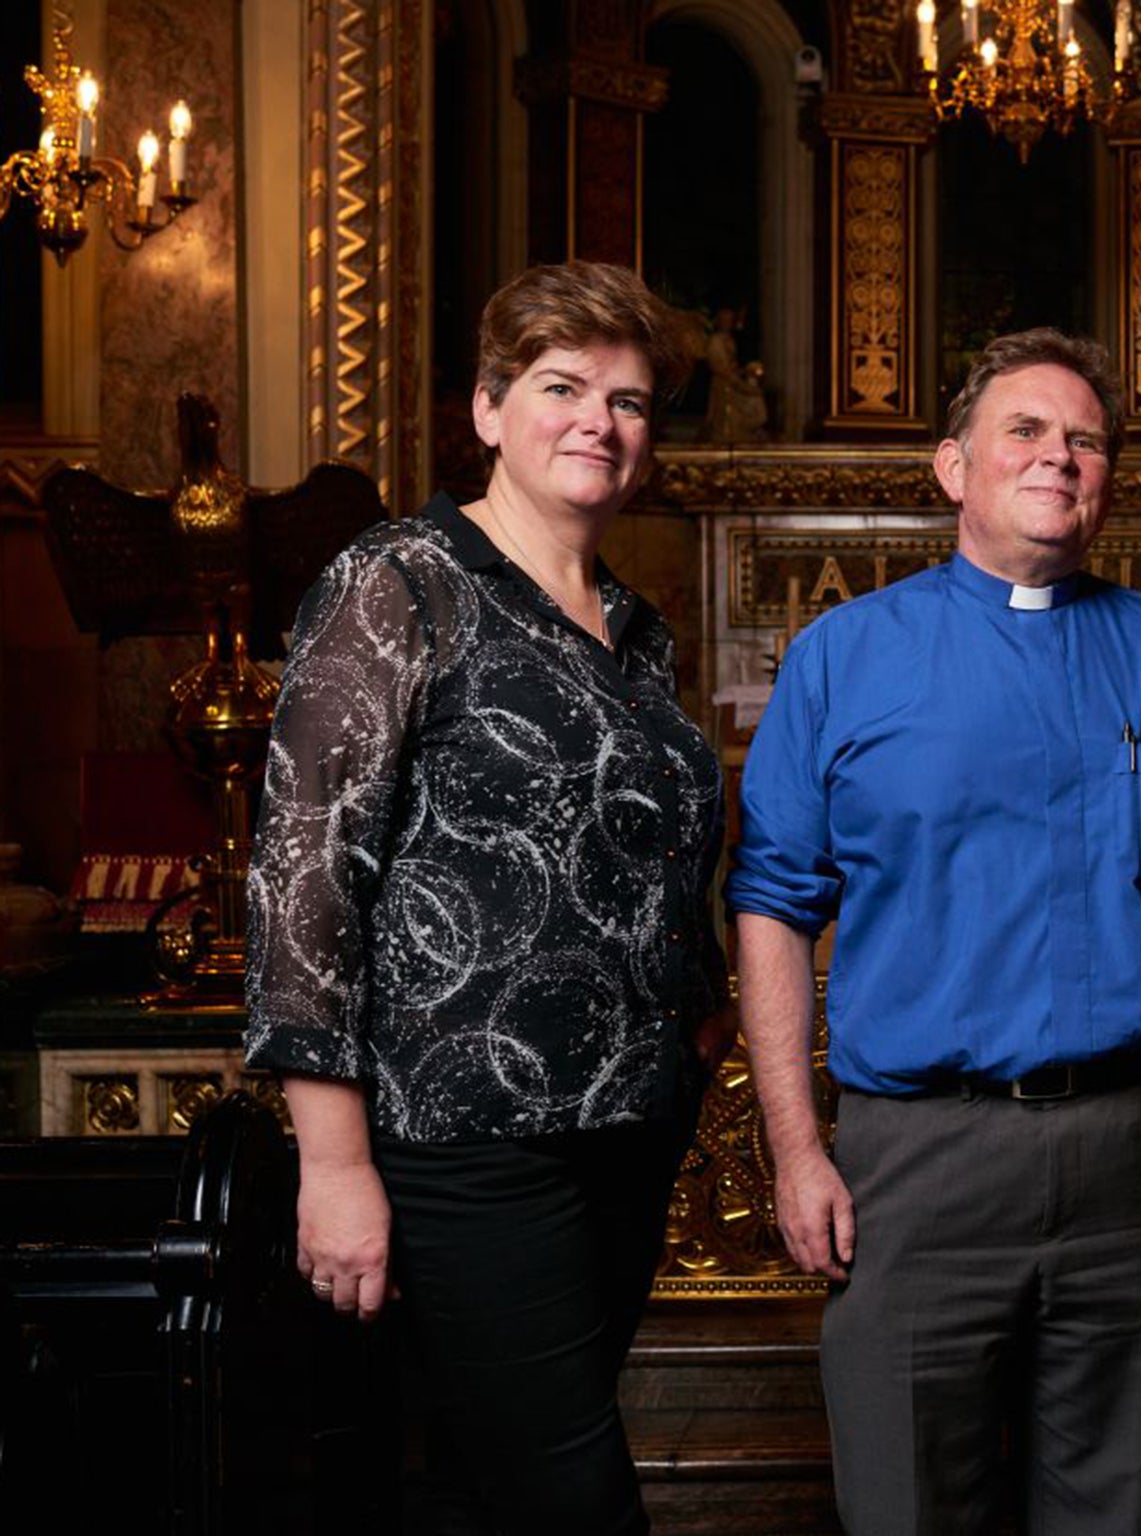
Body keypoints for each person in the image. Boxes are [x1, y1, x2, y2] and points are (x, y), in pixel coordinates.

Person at [244, 261, 731, 1535]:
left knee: (484, 1485)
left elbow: (656, 854)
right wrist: (334, 1164)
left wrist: (698, 1020)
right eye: (563, 388)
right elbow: (306, 877)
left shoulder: (636, 624)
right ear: (487, 409)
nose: (599, 423)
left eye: (628, 402)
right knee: (574, 1493)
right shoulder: (399, 583)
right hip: (463, 1135)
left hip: (624, 1128)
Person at [725, 328, 1141, 1535]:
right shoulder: (843, 656)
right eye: (1026, 429)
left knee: (1107, 1512)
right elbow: (772, 906)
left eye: (1086, 439)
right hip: (920, 1165)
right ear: (952, 467)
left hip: (1130, 1160)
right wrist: (797, 1149)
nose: (1058, 455)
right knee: (907, 1507)